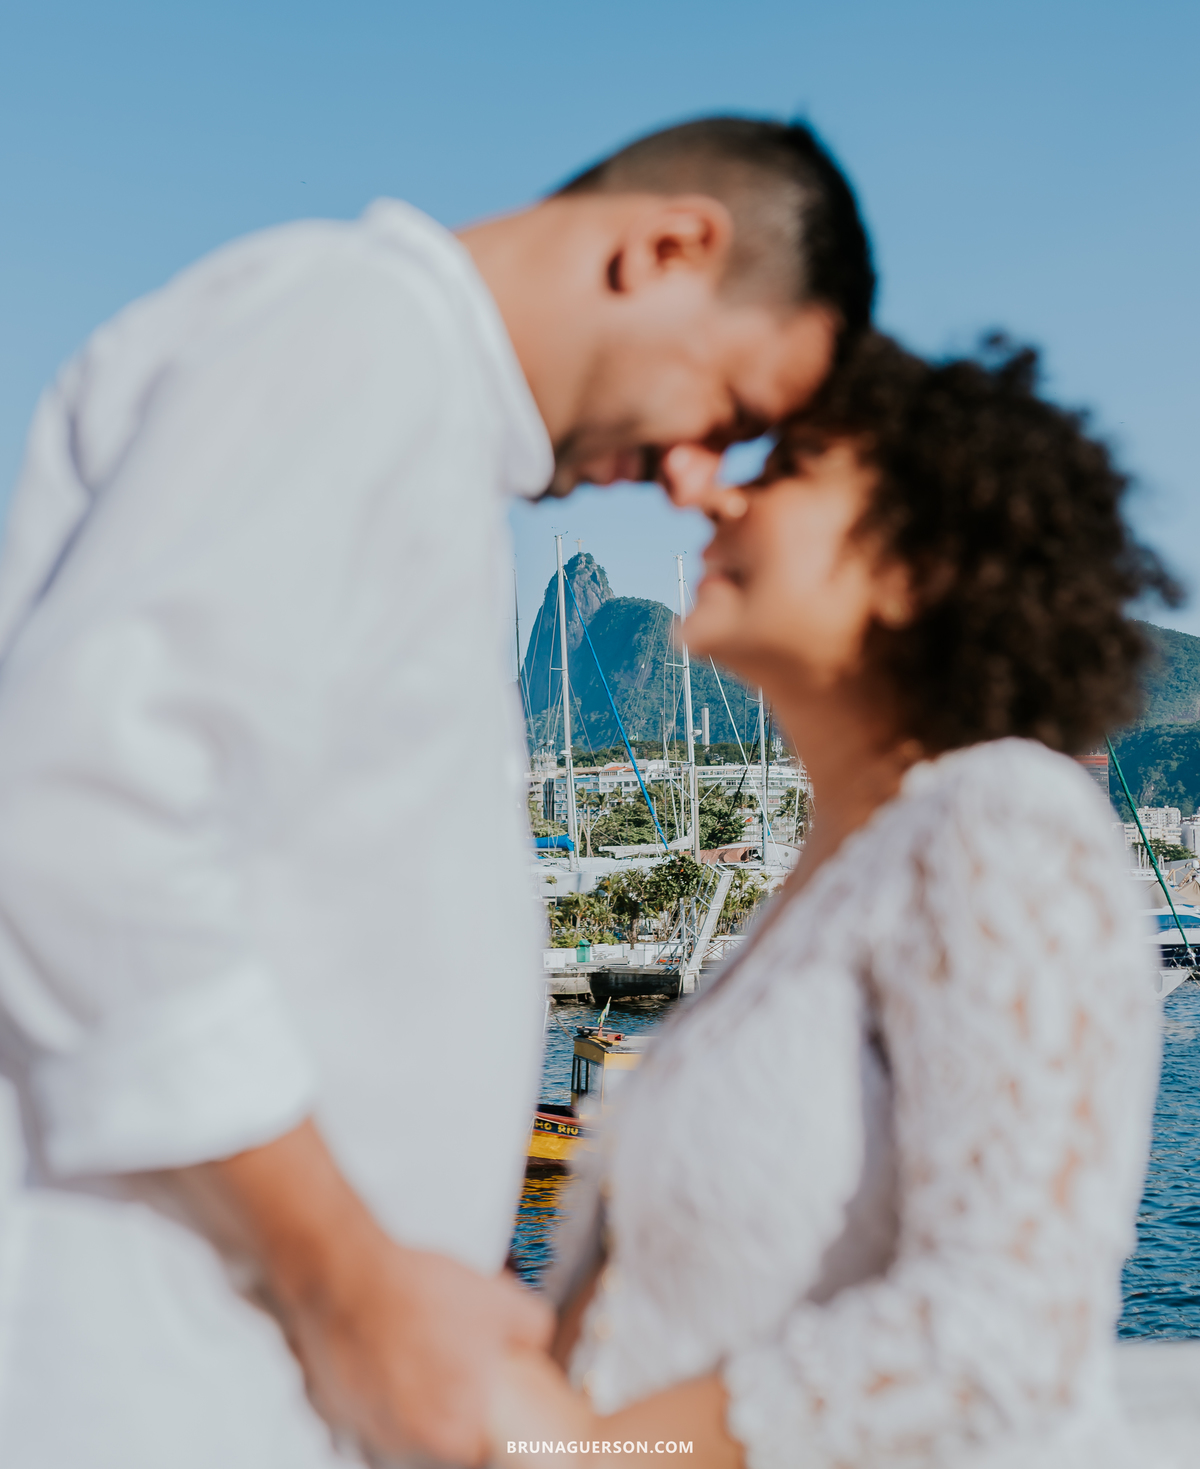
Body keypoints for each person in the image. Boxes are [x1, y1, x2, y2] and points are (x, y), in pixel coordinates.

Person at [0, 117, 874, 1469]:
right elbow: (77, 809)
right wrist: (348, 1284)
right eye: (736, 412)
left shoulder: (411, 407)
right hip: (159, 1372)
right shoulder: (361, 338)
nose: (701, 477)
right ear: (665, 249)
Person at [492, 333, 1192, 1469]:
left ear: (915, 565)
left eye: (784, 470)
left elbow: (997, 1340)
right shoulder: (827, 882)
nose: (706, 489)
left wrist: (584, 1454)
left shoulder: (998, 825)